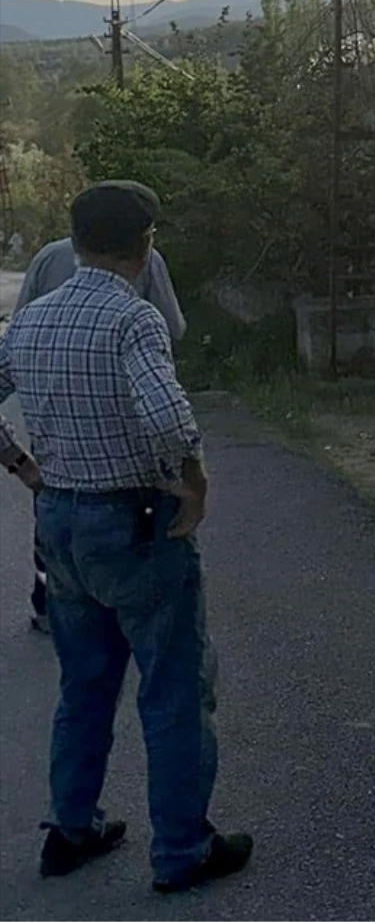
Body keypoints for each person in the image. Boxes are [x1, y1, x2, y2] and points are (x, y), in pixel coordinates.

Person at [0, 181, 252, 894]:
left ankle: (70, 827)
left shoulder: (30, 321)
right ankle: (181, 848)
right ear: (144, 246)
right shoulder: (132, 319)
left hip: (61, 524)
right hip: (133, 524)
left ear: (74, 241)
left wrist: (22, 465)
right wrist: (194, 483)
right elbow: (170, 420)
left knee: (84, 683)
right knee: (173, 686)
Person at [12, 218, 187, 635]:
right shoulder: (147, 264)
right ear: (137, 241)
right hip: (126, 457)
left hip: (55, 449)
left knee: (57, 532)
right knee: (165, 638)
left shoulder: (45, 257)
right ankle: (130, 615)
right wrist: (192, 477)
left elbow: (17, 332)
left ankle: (48, 605)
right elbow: (174, 328)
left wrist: (18, 461)